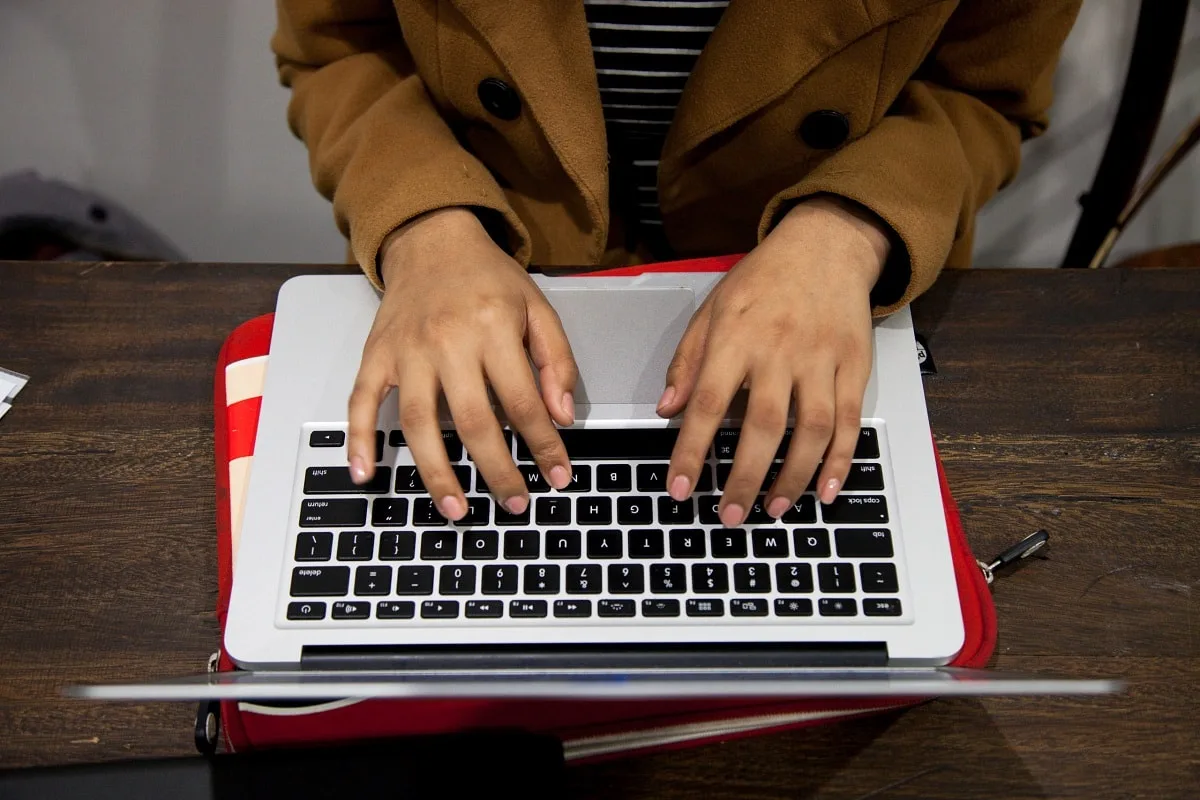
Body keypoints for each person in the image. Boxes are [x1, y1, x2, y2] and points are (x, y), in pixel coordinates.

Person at [272, 0, 1080, 528]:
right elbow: (339, 46)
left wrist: (848, 227)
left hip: (820, 301)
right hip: (470, 273)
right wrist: (426, 222)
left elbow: (983, 91)